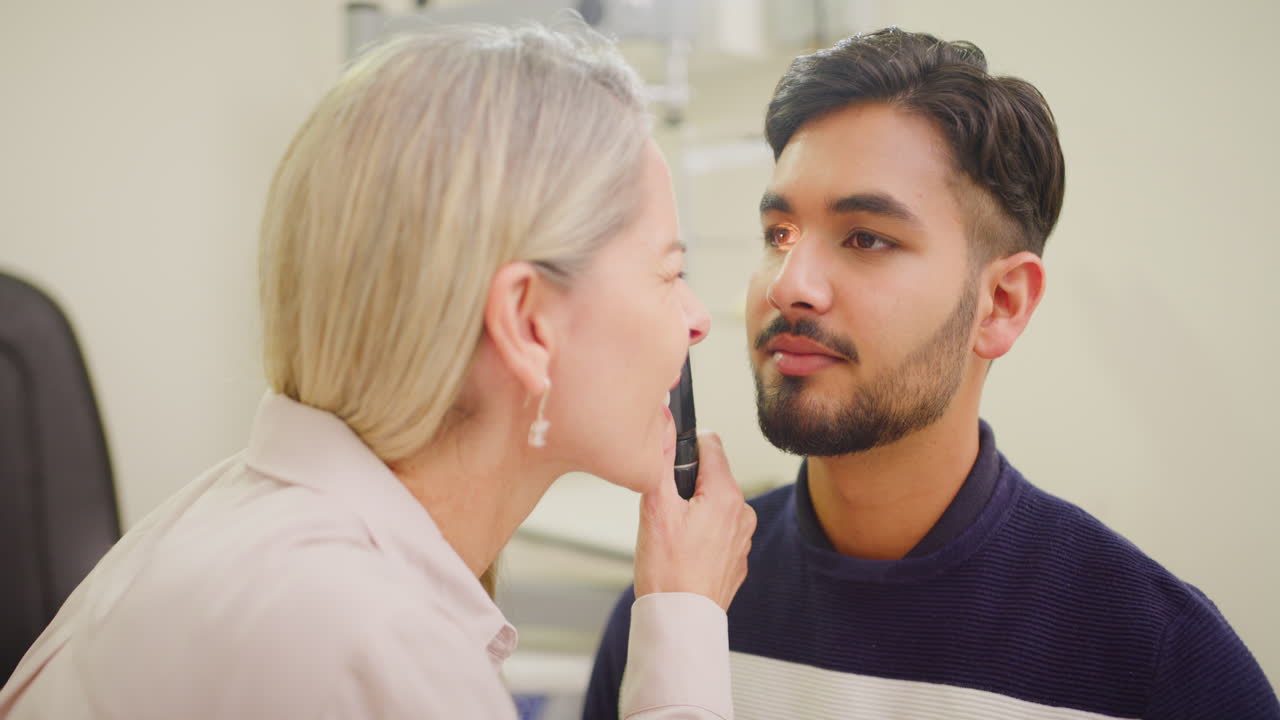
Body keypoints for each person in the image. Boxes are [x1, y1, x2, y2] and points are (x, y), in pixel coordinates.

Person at [0, 21, 757, 719]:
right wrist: (682, 633)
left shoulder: (243, 527)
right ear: (528, 321)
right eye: (669, 273)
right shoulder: (356, 637)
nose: (694, 320)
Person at [584, 27, 1279, 719]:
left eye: (865, 238)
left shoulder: (1162, 665)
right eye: (779, 235)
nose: (790, 285)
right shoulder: (675, 614)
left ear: (1001, 304)